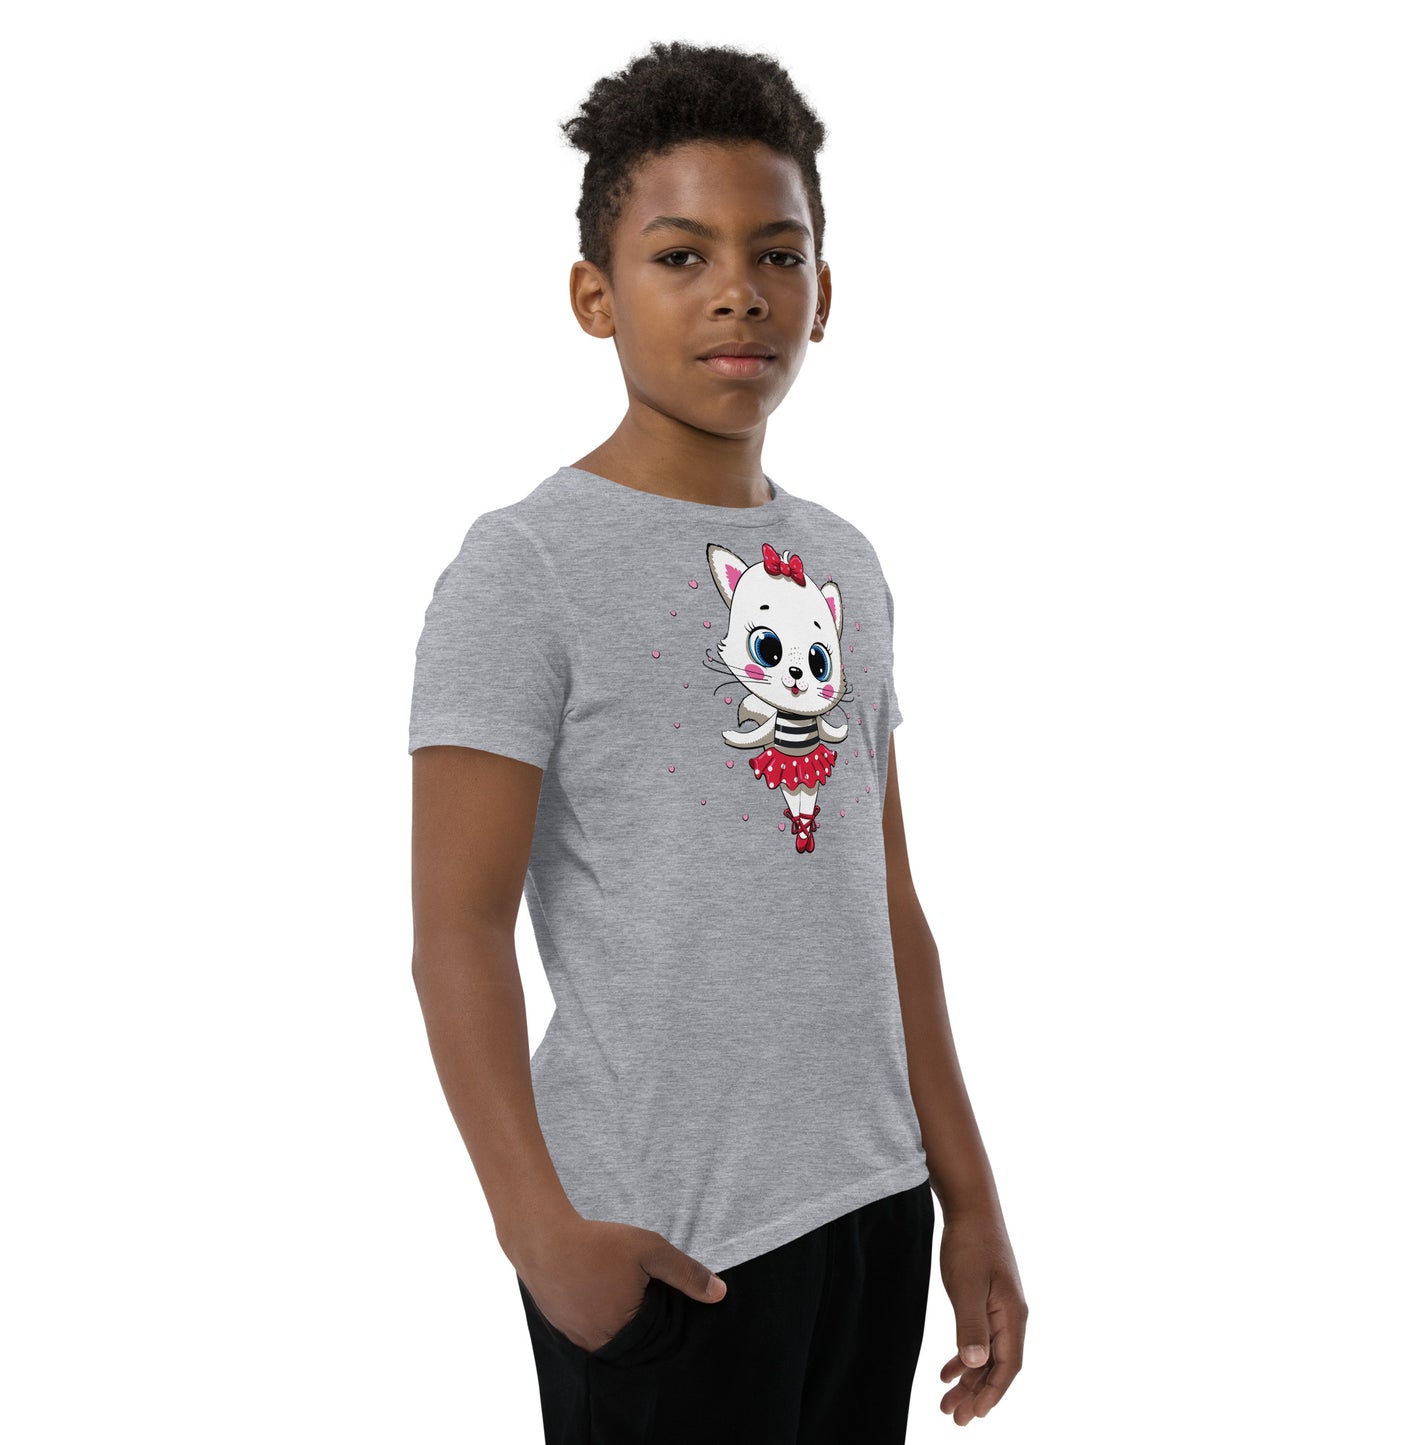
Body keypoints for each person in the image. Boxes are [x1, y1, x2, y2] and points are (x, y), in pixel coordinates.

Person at [408, 39, 1026, 1443]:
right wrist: (539, 1235)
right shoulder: (525, 568)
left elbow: (885, 903)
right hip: (665, 1241)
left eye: (776, 253)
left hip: (870, 1209)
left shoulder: (842, 563)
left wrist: (969, 1196)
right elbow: (456, 930)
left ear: (824, 291)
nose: (737, 291)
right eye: (680, 255)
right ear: (595, 294)